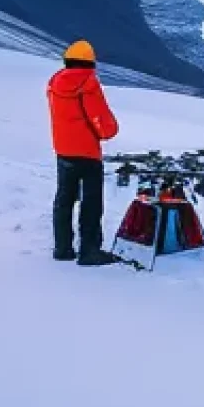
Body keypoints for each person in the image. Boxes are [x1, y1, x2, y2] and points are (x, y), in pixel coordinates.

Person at [47, 40, 122, 266]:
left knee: (64, 199)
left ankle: (62, 248)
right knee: (91, 203)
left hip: (63, 150)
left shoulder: (54, 85)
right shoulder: (88, 85)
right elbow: (104, 122)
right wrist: (109, 130)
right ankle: (89, 251)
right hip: (88, 153)